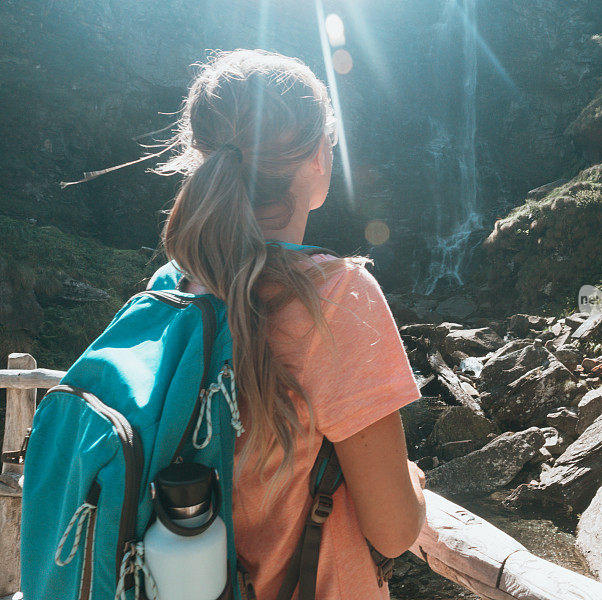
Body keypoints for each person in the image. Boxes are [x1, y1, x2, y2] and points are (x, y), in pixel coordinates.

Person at [155, 49, 426, 599]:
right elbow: (395, 532)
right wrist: (414, 483)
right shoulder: (336, 296)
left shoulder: (173, 286)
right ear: (320, 159)